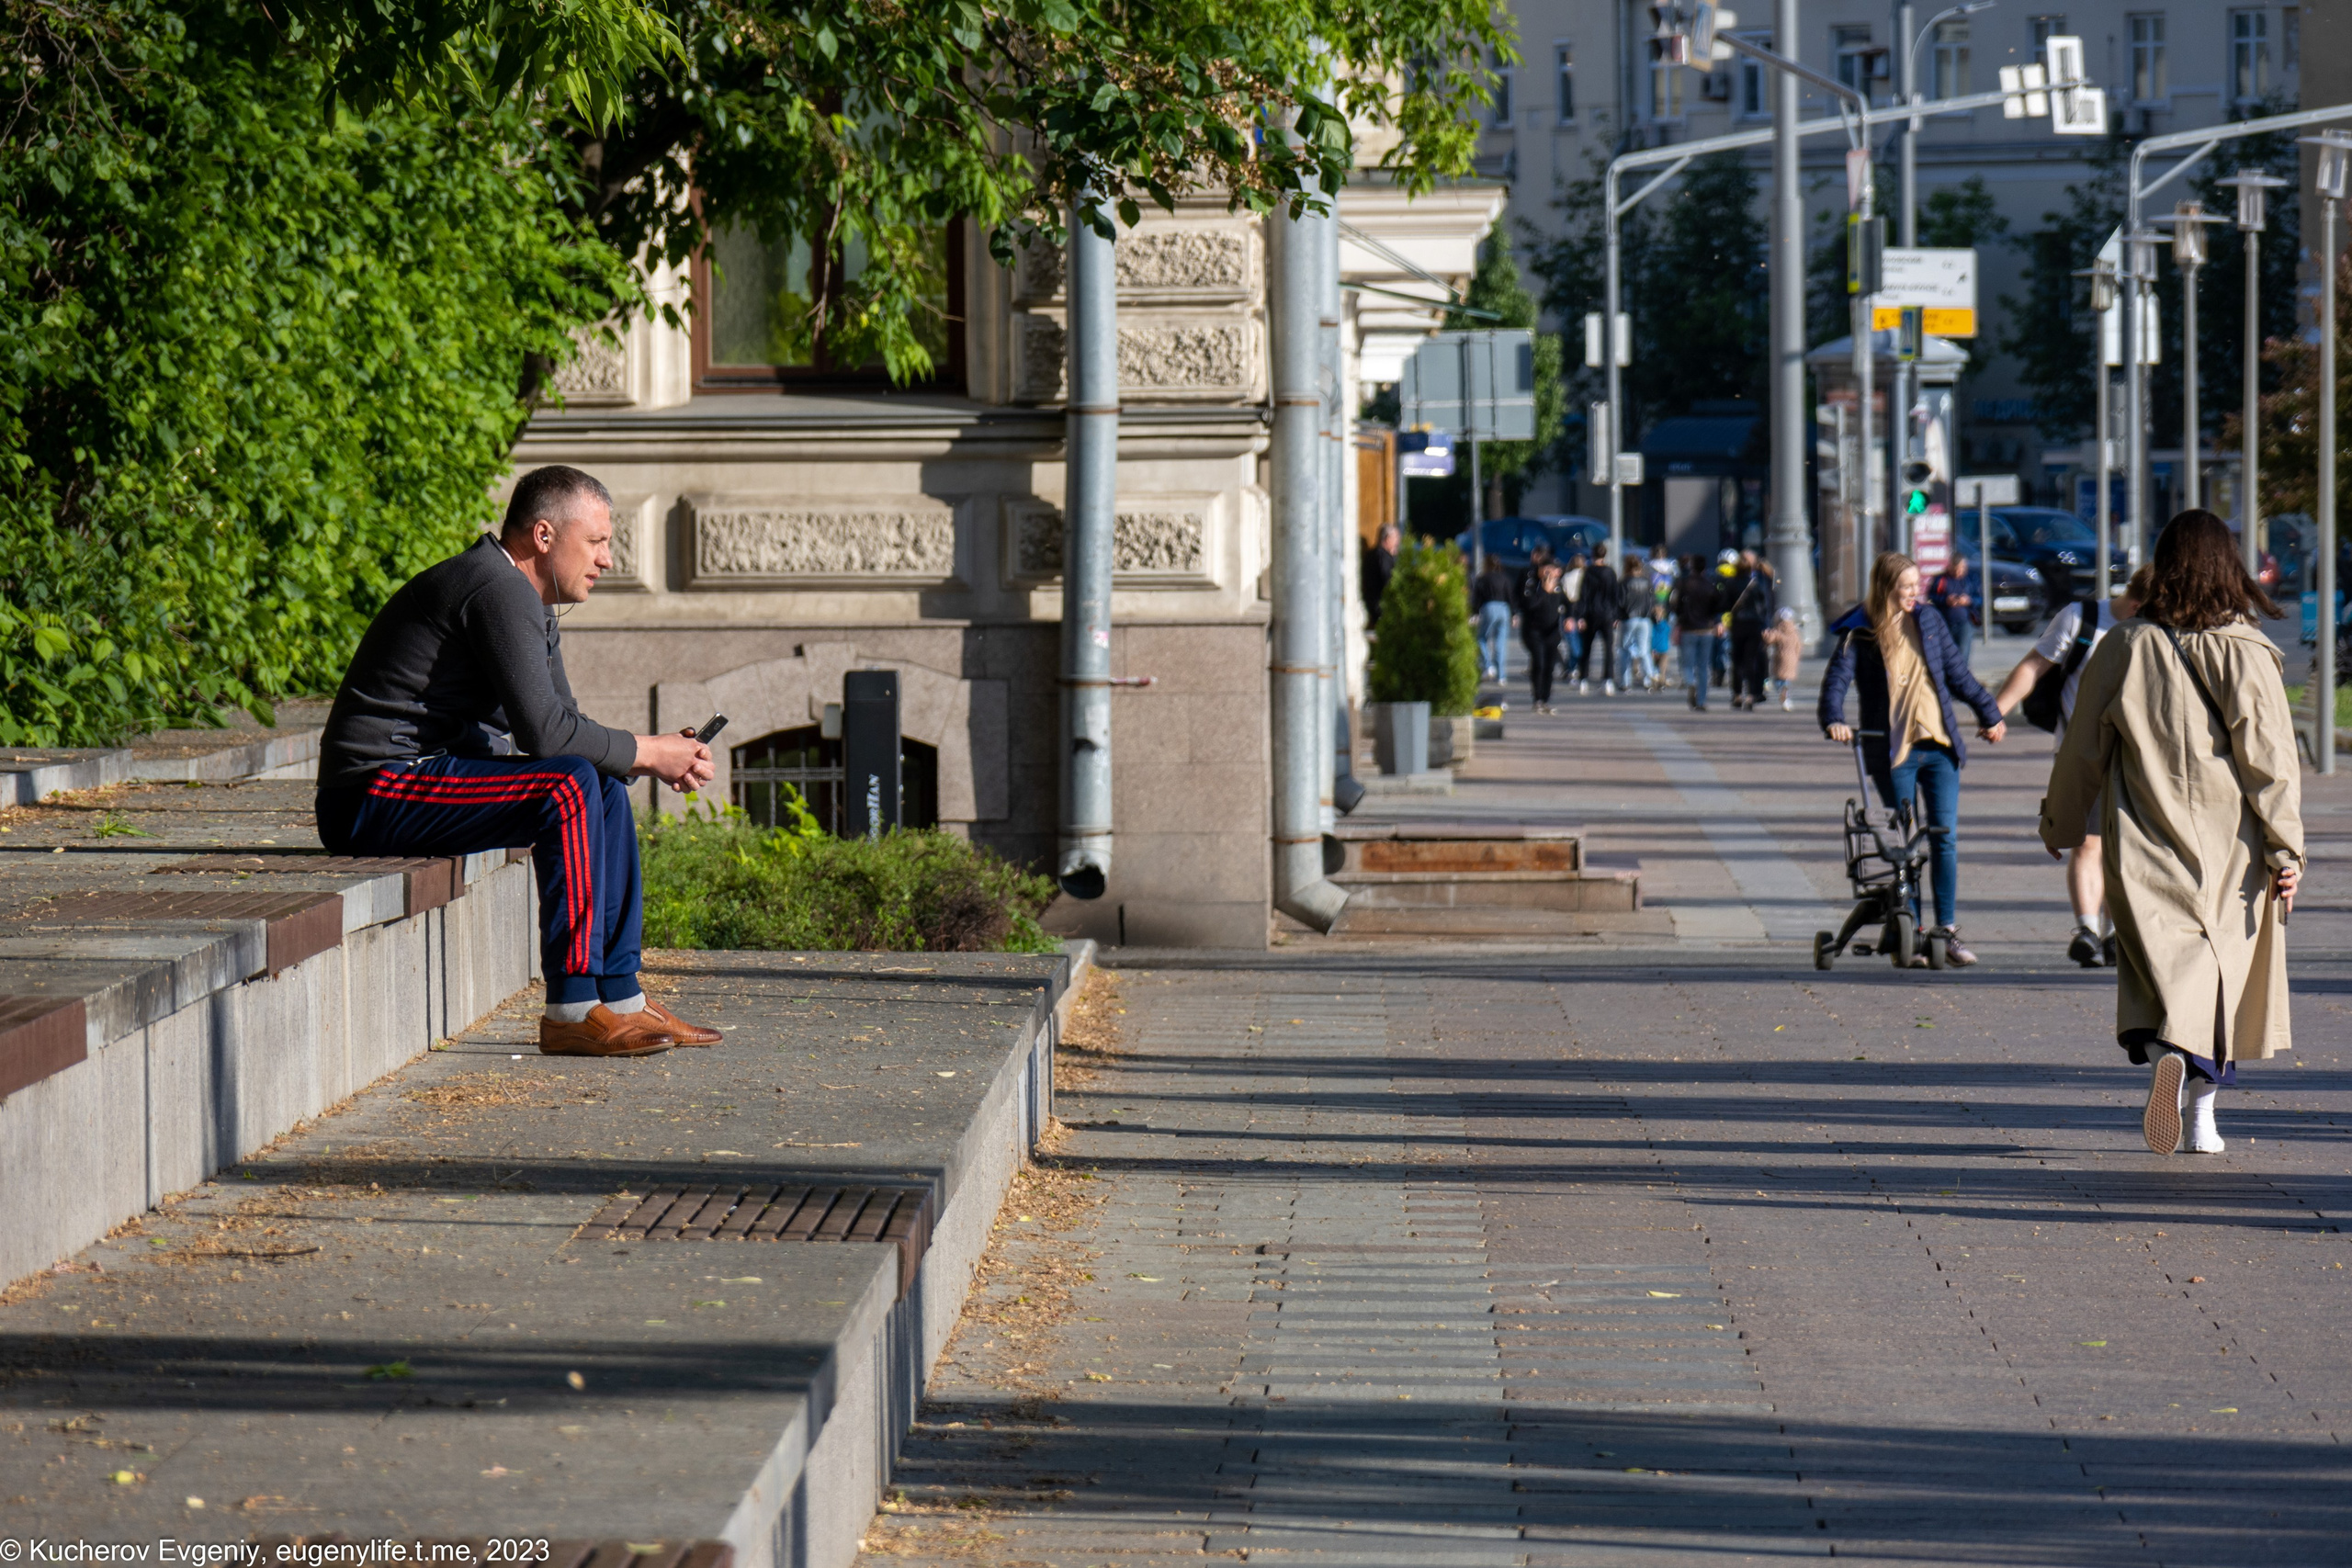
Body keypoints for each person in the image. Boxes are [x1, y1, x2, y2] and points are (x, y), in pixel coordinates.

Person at [316, 465, 723, 1058]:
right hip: (372, 792)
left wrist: (654, 754)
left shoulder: (529, 599)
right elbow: (550, 736)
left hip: (419, 779)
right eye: (598, 542)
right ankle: (573, 1008)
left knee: (600, 784)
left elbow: (564, 731)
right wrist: (654, 751)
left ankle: (621, 996)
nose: (607, 559)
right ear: (543, 536)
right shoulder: (497, 589)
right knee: (568, 786)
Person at [2040, 512, 2302, 1157]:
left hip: (2142, 831)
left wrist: (2062, 820)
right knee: (2219, 979)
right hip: (2230, 841)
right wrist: (2286, 849)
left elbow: (2082, 748)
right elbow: (2271, 762)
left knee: (2160, 972)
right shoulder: (2249, 651)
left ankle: (2166, 1055)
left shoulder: (2125, 645)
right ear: (2228, 565)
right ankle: (2203, 1118)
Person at [1820, 552, 2008, 965]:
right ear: (1886, 588)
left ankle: (1947, 930)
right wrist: (1834, 719)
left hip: (1939, 747)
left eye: (1916, 585)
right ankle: (1914, 931)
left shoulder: (1929, 620)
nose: (1914, 593)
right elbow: (1837, 679)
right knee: (1906, 844)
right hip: (1893, 752)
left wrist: (1990, 714)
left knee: (1944, 837)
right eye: (1905, 587)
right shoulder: (1860, 629)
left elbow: (1958, 675)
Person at [1992, 565, 2150, 967]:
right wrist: (1996, 712)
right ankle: (2088, 929)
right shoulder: (2081, 619)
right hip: (2081, 753)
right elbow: (2034, 665)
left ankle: (2115, 933)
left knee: (2127, 849)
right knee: (2088, 844)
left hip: (2138, 758)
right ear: (2136, 604)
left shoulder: (2153, 631)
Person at [1724, 548, 1777, 710]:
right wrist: (1767, 625)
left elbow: (1726, 604)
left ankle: (1738, 694)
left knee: (1737, 661)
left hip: (1738, 625)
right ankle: (1751, 695)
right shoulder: (1759, 581)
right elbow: (1766, 605)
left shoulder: (1732, 581)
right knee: (1752, 660)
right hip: (1755, 625)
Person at [1668, 556, 1721, 712]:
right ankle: (1701, 700)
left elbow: (1675, 604)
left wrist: (1679, 617)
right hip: (1706, 629)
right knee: (1703, 666)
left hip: (1688, 628)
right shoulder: (1710, 585)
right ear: (1704, 568)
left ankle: (1690, 682)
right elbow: (1716, 607)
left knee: (1687, 664)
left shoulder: (1684, 584)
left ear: (1692, 567)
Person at [1520, 560, 1568, 713]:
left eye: (1552, 570)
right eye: (1546, 569)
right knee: (1539, 663)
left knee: (1549, 666)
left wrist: (1571, 618)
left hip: (1552, 632)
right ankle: (1537, 698)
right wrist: (1544, 592)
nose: (1549, 573)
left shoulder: (1558, 587)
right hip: (1534, 632)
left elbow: (1568, 604)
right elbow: (1529, 605)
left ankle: (1545, 699)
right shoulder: (1531, 583)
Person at [1576, 541, 1622, 695]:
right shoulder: (1610, 573)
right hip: (1607, 615)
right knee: (1608, 648)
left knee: (1587, 648)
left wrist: (1580, 616)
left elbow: (1583, 596)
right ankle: (1608, 680)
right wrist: (1616, 615)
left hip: (1590, 614)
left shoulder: (1587, 572)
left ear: (1592, 554)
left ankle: (1583, 680)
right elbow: (1616, 595)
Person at [1470, 555, 1515, 684]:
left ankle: (1488, 665)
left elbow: (1477, 597)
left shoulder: (1482, 579)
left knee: (1481, 638)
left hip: (1489, 606)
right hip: (1504, 608)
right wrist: (1514, 613)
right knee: (1501, 642)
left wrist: (1475, 612)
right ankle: (1502, 675)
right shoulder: (1505, 578)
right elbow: (1510, 596)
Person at [1928, 555, 1979, 668]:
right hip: (1945, 623)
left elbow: (1980, 598)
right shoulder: (1941, 579)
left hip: (1964, 622)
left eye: (1962, 569)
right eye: (1956, 569)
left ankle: (1962, 678)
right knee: (1946, 653)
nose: (1959, 572)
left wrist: (1968, 601)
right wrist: (1946, 600)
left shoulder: (1970, 579)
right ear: (1950, 567)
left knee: (1963, 653)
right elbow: (1931, 596)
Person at [1618, 558, 1661, 693]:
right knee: (1644, 651)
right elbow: (1652, 600)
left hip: (1629, 618)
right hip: (1645, 619)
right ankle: (1651, 676)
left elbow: (1621, 601)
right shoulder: (1647, 582)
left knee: (1624, 650)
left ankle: (1625, 682)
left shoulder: (1624, 582)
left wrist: (1618, 616)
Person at [1763, 605, 1804, 711]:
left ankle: (1782, 692)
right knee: (1786, 680)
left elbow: (1770, 639)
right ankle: (1786, 695)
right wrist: (1797, 657)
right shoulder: (1794, 632)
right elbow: (1799, 646)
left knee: (1778, 680)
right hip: (1792, 660)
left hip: (1780, 658)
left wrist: (1766, 635)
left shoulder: (1778, 630)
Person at [1362, 523, 1399, 627]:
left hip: (1371, 604)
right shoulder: (1382, 557)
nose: (1397, 543)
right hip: (1380, 606)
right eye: (1395, 539)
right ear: (1387, 539)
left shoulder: (1372, 555)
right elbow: (1389, 580)